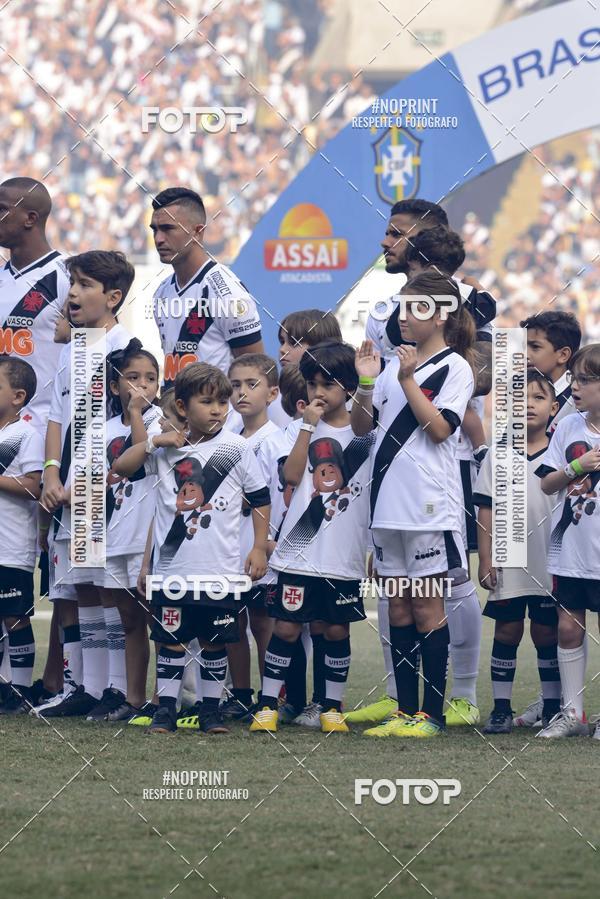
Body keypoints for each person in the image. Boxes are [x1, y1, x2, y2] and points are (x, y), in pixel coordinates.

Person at [114, 362, 271, 735]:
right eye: (207, 402)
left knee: (215, 643)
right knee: (171, 643)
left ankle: (210, 712)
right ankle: (165, 711)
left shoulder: (236, 447)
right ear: (182, 407)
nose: (218, 410)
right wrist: (155, 442)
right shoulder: (167, 448)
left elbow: (260, 498)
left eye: (222, 403)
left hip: (221, 572)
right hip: (172, 572)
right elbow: (121, 467)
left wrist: (259, 547)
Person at [351, 271, 475, 739]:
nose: (404, 317)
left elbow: (440, 430)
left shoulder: (455, 367)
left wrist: (407, 381)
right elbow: (362, 428)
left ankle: (432, 714)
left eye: (415, 308)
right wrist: (367, 382)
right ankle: (404, 711)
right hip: (386, 508)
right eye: (402, 307)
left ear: (441, 315)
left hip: (428, 507)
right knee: (398, 608)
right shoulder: (391, 366)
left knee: (426, 606)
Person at [250, 342, 375, 735]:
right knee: (286, 628)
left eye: (329, 384)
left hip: (343, 552)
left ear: (348, 387)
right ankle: (268, 705)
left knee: (335, 629)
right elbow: (290, 476)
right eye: (312, 383)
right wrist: (307, 426)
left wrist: (367, 382)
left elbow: (364, 424)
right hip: (297, 550)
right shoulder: (299, 428)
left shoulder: (363, 429)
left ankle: (331, 707)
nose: (319, 392)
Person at [39, 250, 134, 718]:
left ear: (112, 297)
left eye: (83, 285)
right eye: (71, 283)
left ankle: (118, 688)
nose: (72, 293)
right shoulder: (70, 350)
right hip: (68, 490)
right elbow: (56, 419)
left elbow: (132, 425)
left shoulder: (128, 348)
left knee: (109, 590)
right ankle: (88, 688)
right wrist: (51, 472)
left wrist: (94, 480)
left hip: (106, 491)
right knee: (82, 590)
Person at [0, 177, 70, 700]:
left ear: (30, 217)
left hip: (51, 435)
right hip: (5, 429)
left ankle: (58, 675)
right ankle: (12, 678)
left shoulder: (67, 277)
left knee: (59, 566)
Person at [474, 370, 561, 733]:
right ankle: (501, 708)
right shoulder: (499, 452)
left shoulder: (561, 450)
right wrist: (485, 557)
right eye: (520, 398)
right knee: (507, 631)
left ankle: (553, 707)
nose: (528, 405)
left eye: (538, 398)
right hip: (509, 556)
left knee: (547, 633)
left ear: (554, 408)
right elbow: (486, 508)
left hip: (551, 558)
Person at [85, 340, 162, 722]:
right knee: (128, 619)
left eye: (150, 379)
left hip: (147, 537)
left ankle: (165, 698)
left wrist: (135, 413)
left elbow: (141, 455)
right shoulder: (99, 429)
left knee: (159, 619)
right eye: (133, 378)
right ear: (115, 386)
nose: (142, 386)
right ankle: (133, 699)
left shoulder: (163, 421)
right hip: (113, 534)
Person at [513, 309, 582, 727]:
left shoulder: (579, 404)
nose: (525, 353)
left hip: (576, 528)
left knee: (566, 619)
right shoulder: (527, 394)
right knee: (549, 621)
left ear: (563, 355)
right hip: (542, 523)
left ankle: (566, 705)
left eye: (534, 346)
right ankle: (553, 700)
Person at [536, 344, 600, 739]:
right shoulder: (568, 426)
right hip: (571, 550)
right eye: (574, 378)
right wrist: (577, 466)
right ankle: (572, 714)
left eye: (586, 380)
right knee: (568, 629)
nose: (575, 386)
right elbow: (547, 483)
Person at [151, 187, 264, 389]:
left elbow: (256, 372)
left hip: (221, 409)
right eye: (155, 230)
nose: (159, 239)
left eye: (168, 229)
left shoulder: (226, 292)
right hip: (175, 408)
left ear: (197, 232)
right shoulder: (161, 292)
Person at [220, 353, 280, 721]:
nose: (242, 392)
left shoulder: (276, 441)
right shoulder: (227, 441)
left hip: (260, 547)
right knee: (231, 623)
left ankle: (272, 697)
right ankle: (240, 695)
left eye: (251, 384)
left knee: (262, 622)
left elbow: (275, 496)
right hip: (228, 547)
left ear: (272, 393)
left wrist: (268, 543)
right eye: (235, 385)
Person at [257, 364, 312, 724]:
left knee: (323, 625)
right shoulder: (273, 443)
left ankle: (322, 703)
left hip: (322, 546)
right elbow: (261, 497)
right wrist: (264, 540)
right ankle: (288, 700)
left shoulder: (339, 436)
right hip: (281, 546)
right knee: (286, 622)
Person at [0, 358, 44, 713]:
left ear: (18, 397)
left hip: (11, 547)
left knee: (15, 617)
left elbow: (33, 486)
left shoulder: (26, 435)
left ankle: (21, 690)